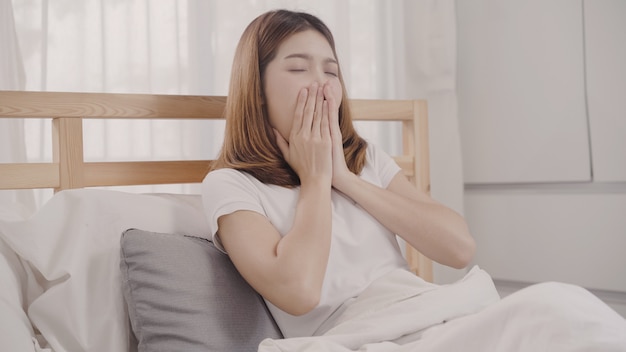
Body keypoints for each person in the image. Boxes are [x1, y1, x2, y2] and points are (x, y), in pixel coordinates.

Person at [202, 9, 626, 350]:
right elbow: (298, 291)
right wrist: (315, 180)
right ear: (256, 89)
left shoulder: (364, 161)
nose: (321, 84)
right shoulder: (231, 185)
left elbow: (458, 248)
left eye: (331, 72)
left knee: (557, 307)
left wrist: (345, 179)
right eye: (299, 68)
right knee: (554, 311)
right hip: (365, 335)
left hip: (437, 316)